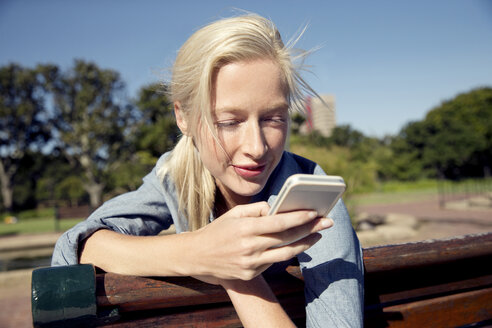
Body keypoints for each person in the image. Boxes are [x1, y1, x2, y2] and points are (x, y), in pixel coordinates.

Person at [52, 13, 364, 327]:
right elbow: (79, 246)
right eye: (228, 122)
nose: (256, 147)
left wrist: (237, 276)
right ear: (183, 116)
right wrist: (197, 252)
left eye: (274, 118)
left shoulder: (317, 199)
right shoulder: (174, 176)